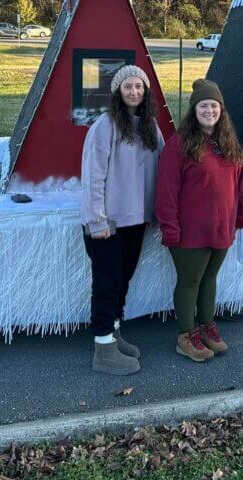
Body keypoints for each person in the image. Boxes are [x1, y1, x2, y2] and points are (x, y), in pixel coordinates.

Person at [155, 79, 243, 362]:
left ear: (221, 110)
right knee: (190, 281)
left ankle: (207, 327)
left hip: (221, 228)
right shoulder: (179, 145)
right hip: (189, 232)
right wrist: (170, 228)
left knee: (209, 279)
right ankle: (186, 335)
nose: (209, 110)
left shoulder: (228, 144)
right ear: (194, 110)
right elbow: (166, 191)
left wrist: (241, 214)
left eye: (214, 105)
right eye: (204, 105)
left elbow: (238, 183)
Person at [80, 64, 164, 376]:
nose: (134, 92)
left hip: (136, 221)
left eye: (139, 86)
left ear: (145, 92)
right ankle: (103, 348)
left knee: (123, 281)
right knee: (106, 283)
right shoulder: (105, 126)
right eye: (128, 86)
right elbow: (93, 176)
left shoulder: (149, 127)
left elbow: (160, 168)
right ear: (118, 91)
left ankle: (114, 334)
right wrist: (96, 219)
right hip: (108, 223)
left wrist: (157, 212)